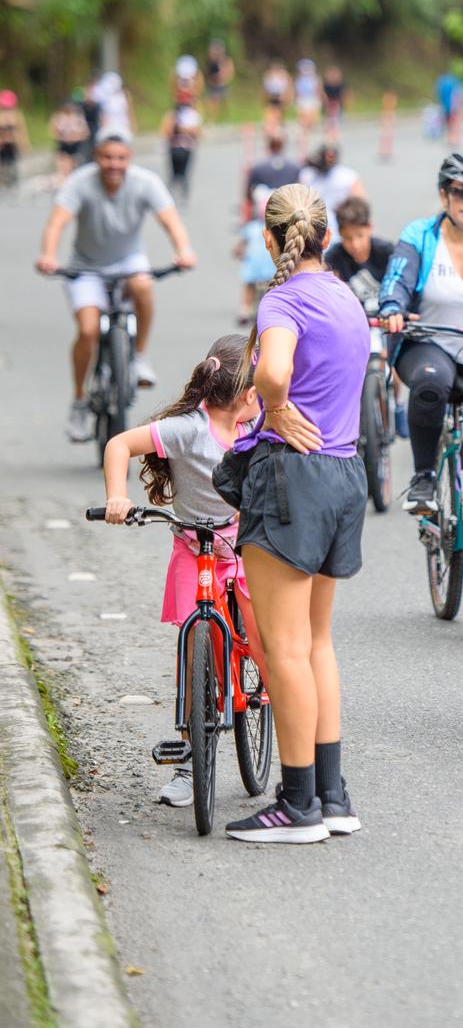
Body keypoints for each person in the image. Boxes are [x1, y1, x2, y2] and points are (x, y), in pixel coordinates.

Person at [224, 183, 370, 843]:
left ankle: (297, 804)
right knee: (316, 643)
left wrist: (275, 406)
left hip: (293, 478)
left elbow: (274, 372)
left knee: (282, 648)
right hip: (344, 473)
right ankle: (331, 796)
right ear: (327, 238)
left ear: (268, 239)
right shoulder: (345, 296)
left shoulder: (282, 300)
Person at [101, 334, 266, 808]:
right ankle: (189, 757)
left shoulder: (259, 426)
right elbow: (119, 444)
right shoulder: (188, 430)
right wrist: (117, 496)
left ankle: (283, 728)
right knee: (196, 645)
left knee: (264, 642)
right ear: (246, 393)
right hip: (195, 547)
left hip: (245, 545)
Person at [35, 127, 197, 439]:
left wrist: (183, 250)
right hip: (86, 266)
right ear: (96, 157)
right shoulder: (80, 182)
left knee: (143, 285)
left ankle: (139, 357)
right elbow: (57, 222)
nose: (114, 164)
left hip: (129, 262)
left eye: (121, 158)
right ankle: (79, 401)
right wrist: (48, 255)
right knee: (88, 330)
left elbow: (170, 221)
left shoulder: (145, 182)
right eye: (107, 157)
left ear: (129, 158)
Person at [377, 150, 463, 512]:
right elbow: (398, 278)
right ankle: (424, 477)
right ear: (444, 195)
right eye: (460, 192)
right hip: (430, 343)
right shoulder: (421, 235)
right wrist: (392, 307)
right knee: (430, 382)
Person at [325, 196, 408, 438]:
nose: (355, 244)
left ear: (369, 228)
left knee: (392, 362)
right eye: (348, 238)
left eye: (360, 236)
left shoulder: (387, 252)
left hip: (385, 320)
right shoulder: (334, 258)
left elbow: (401, 286)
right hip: (356, 323)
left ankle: (397, 404)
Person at [299, 143, 365, 233]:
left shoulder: (348, 176)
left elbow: (360, 204)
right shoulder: (307, 174)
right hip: (311, 223)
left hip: (340, 224)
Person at [234, 185, 277, 326]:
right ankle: (272, 309)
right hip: (271, 266)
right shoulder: (276, 230)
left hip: (253, 266)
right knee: (274, 286)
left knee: (248, 286)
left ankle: (244, 309)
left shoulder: (251, 227)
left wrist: (238, 252)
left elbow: (241, 245)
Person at [160, 102, 202, 204]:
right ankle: (169, 199)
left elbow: (197, 132)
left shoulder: (192, 115)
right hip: (174, 148)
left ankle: (184, 197)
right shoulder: (171, 115)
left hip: (187, 148)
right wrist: (175, 124)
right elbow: (166, 131)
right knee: (173, 175)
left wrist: (182, 128)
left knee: (184, 174)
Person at [246, 130, 302, 201]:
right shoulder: (294, 166)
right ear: (282, 145)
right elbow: (300, 188)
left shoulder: (258, 166)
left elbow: (249, 191)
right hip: (287, 202)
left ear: (269, 146)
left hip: (266, 204)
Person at [49, 97, 89, 181]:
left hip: (76, 145)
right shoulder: (58, 117)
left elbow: (85, 133)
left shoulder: (78, 118)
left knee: (74, 168)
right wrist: (62, 137)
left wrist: (75, 137)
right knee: (63, 167)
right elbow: (53, 131)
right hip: (63, 144)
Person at [0, 90, 30, 188]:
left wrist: (24, 144)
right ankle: (5, 181)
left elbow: (21, 131)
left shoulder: (16, 115)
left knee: (12, 163)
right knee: (3, 164)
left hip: (12, 144)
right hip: (3, 144)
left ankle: (12, 182)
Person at [98, 72, 135, 137]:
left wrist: (132, 124)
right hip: (108, 127)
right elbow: (102, 114)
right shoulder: (103, 96)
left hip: (123, 126)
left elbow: (129, 111)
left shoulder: (124, 95)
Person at [204, 40, 234, 118]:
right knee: (213, 102)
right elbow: (208, 73)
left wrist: (223, 77)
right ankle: (212, 117)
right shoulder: (211, 62)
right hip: (213, 85)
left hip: (223, 84)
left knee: (224, 103)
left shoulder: (226, 61)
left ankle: (226, 117)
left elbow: (230, 72)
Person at [261, 60, 292, 133]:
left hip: (280, 98)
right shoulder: (269, 75)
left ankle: (279, 129)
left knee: (279, 115)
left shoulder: (284, 76)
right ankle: (270, 128)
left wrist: (286, 97)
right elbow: (265, 88)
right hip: (271, 97)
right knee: (270, 113)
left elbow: (288, 87)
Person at [294, 58, 322, 132]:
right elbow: (297, 90)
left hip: (311, 98)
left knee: (312, 115)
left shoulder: (315, 78)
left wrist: (318, 98)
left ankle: (309, 126)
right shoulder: (299, 78)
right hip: (302, 98)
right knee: (303, 115)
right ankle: (304, 128)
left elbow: (318, 89)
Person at [322, 64, 346, 134]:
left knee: (336, 119)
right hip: (329, 103)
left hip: (337, 103)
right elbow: (323, 94)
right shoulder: (326, 85)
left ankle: (334, 133)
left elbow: (343, 94)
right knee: (328, 119)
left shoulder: (340, 84)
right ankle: (329, 132)